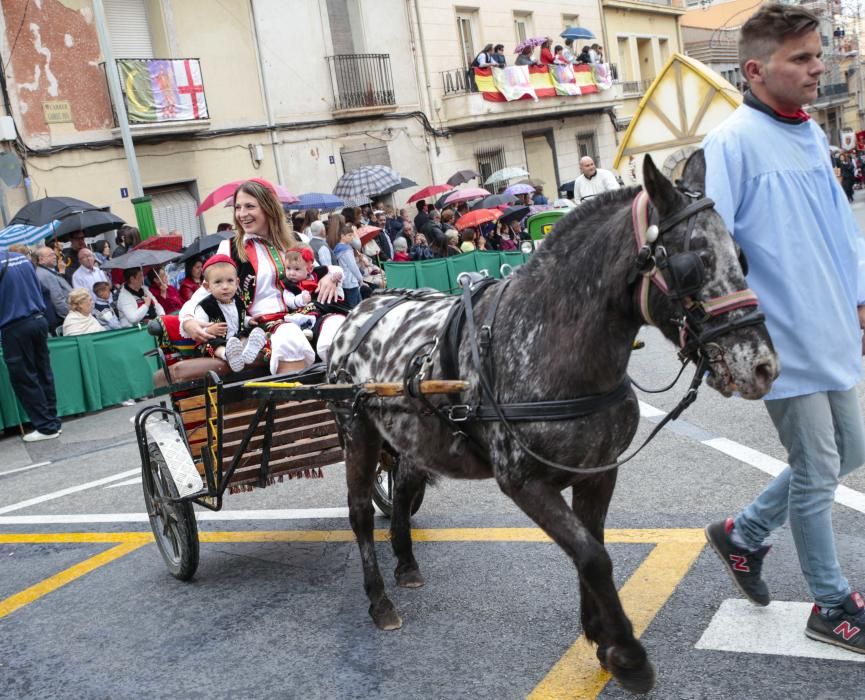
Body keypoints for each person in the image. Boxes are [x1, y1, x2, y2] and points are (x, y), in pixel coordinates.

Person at [701, 3, 865, 655]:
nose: (815, 68)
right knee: (817, 466)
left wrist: (857, 301)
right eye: (799, 59)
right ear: (754, 69)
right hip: (780, 341)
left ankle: (743, 534)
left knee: (853, 446)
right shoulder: (730, 143)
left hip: (831, 327)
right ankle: (830, 603)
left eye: (816, 55)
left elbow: (839, 228)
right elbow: (713, 251)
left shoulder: (807, 135)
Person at [179, 179, 344, 374]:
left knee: (339, 328)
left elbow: (319, 271)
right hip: (265, 325)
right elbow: (205, 291)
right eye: (238, 207)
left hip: (308, 313)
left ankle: (349, 395)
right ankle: (301, 401)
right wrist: (188, 321)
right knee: (289, 337)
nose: (242, 214)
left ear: (268, 208)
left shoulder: (297, 240)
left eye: (250, 206)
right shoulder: (231, 248)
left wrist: (330, 276)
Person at [0, 248, 62, 441]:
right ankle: (51, 421)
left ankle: (46, 426)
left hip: (15, 325)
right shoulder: (20, 258)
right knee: (43, 371)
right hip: (37, 318)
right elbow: (39, 288)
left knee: (25, 377)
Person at [191, 254, 266, 372]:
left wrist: (248, 320)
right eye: (218, 282)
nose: (225, 287)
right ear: (207, 286)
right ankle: (227, 355)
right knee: (213, 343)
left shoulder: (238, 301)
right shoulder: (205, 307)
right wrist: (208, 330)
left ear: (237, 283)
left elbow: (240, 318)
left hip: (235, 339)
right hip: (216, 342)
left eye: (230, 281)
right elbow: (198, 329)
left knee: (250, 330)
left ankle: (248, 349)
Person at [33, 245, 72, 331]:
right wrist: (72, 316)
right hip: (64, 318)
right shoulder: (45, 275)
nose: (54, 257)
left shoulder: (48, 271)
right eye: (50, 255)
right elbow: (58, 301)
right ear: (41, 259)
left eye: (54, 254)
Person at [333, 223, 364, 308]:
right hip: (351, 281)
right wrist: (360, 278)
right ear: (342, 236)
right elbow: (353, 266)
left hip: (344, 280)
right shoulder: (346, 250)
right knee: (355, 307)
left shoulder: (337, 248)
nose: (352, 238)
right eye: (349, 235)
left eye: (352, 235)